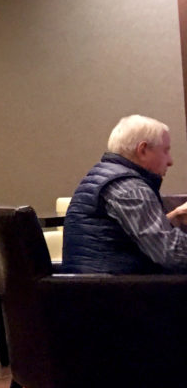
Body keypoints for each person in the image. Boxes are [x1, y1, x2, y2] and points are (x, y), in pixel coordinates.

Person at [62, 114, 187, 273]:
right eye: (165, 151)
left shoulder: (106, 176)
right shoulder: (130, 188)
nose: (170, 161)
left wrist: (175, 216)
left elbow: (122, 238)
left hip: (89, 288)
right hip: (115, 292)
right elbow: (173, 254)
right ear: (142, 150)